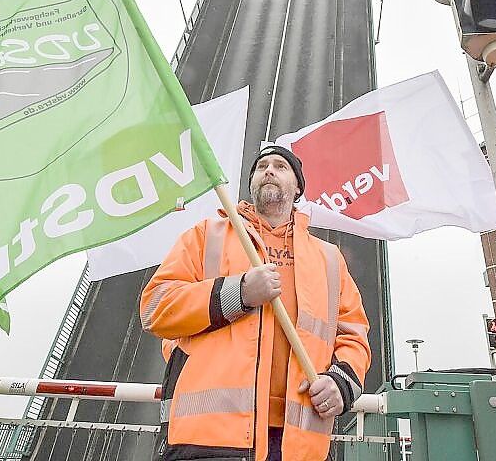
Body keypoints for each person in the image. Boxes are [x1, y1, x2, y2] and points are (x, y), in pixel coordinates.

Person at [141, 145, 371, 461]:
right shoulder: (207, 235)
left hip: (300, 444)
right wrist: (240, 293)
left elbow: (354, 336)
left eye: (280, 166)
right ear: (252, 183)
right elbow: (155, 307)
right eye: (261, 166)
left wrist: (340, 382)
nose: (269, 170)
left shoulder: (329, 260)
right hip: (210, 437)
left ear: (298, 187)